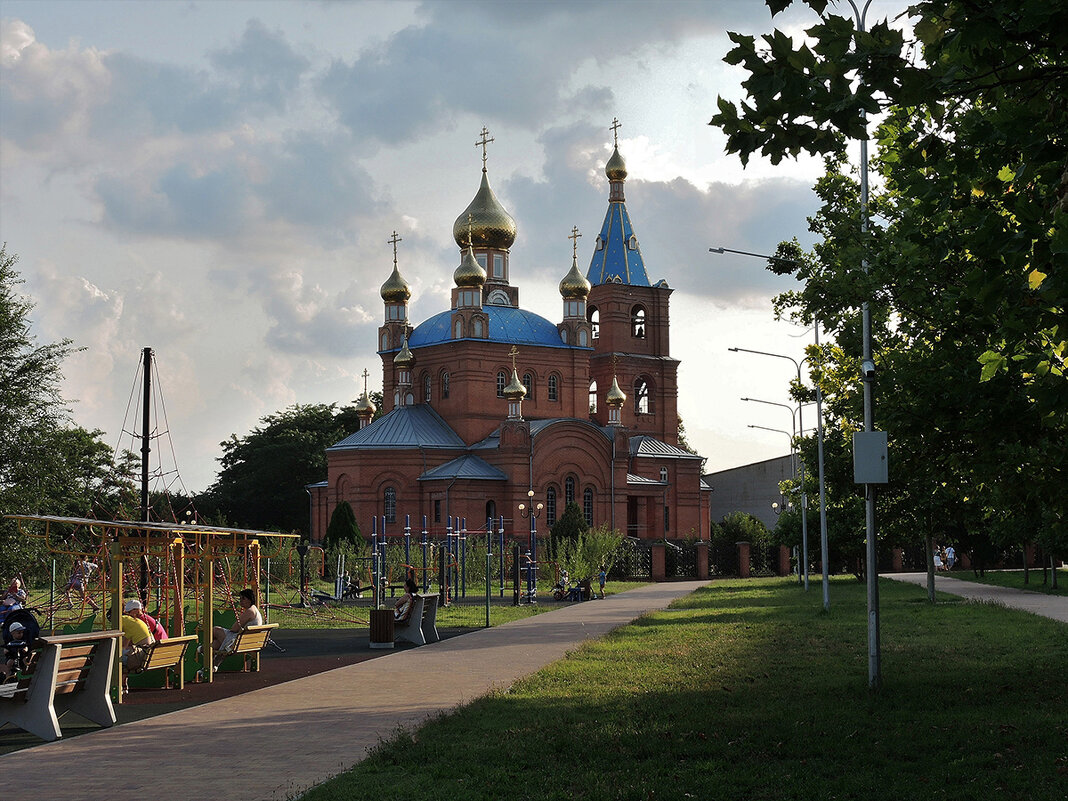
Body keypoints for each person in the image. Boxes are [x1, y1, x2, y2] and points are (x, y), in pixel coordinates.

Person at [210, 588, 263, 657]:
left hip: (240, 642)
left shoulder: (250, 611)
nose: (241, 600)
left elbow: (234, 629)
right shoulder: (254, 610)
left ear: (250, 600)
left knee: (215, 630)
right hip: (248, 641)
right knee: (217, 643)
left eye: (243, 598)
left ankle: (202, 649)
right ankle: (209, 657)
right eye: (240, 598)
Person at [120, 609, 156, 674]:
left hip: (140, 657)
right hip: (147, 654)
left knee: (112, 655)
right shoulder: (132, 620)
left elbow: (123, 646)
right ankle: (123, 680)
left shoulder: (122, 621)